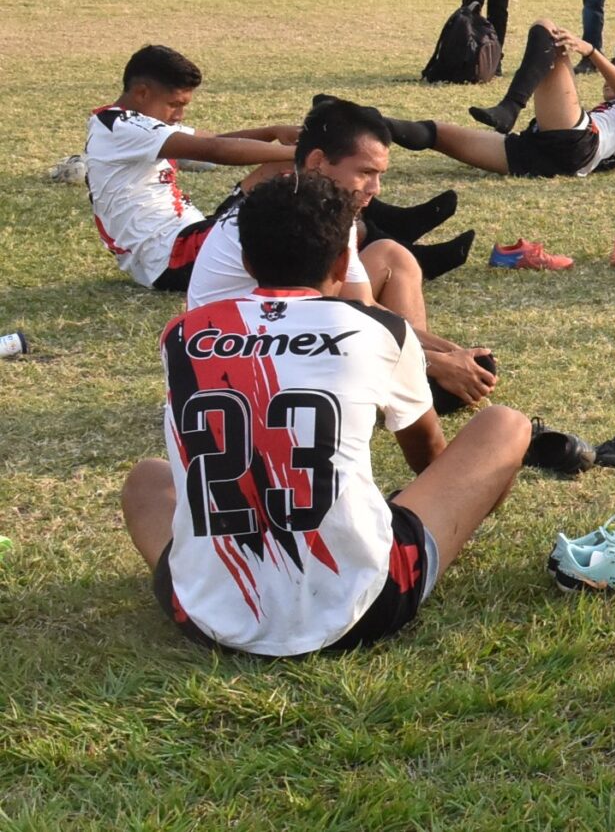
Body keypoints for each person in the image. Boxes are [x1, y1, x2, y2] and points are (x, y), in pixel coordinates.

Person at [120, 174, 531, 658]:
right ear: (344, 261)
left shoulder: (182, 333)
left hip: (203, 617)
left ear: (247, 261)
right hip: (362, 611)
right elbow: (429, 458)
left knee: (146, 479)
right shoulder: (379, 328)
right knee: (505, 425)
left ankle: (226, 576)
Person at [186, 99, 498, 409]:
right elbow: (327, 321)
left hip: (280, 329)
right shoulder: (283, 215)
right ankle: (414, 383)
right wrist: (434, 362)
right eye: (365, 172)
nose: (375, 187)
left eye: (380, 174)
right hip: (243, 356)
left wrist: (452, 351)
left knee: (393, 255)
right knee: (503, 425)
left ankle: (416, 381)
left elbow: (362, 302)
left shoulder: (327, 205)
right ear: (318, 161)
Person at [83, 45, 299, 291]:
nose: (180, 115)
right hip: (169, 256)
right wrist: (301, 154)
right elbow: (213, 149)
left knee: (280, 167)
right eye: (175, 104)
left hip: (191, 239)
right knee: (294, 224)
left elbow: (217, 140)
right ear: (142, 93)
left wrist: (273, 132)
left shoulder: (133, 123)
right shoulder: (121, 126)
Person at [349, 23, 615, 181]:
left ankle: (511, 106)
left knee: (547, 29)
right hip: (544, 155)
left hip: (576, 143)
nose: (610, 75)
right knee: (436, 133)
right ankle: (354, 117)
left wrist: (591, 52)